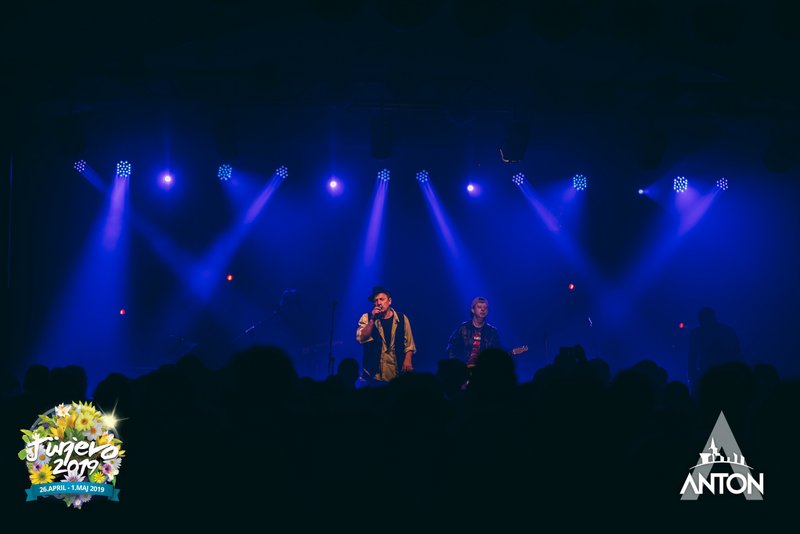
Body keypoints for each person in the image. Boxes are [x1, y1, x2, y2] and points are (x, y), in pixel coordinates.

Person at [356, 286, 416, 382]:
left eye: (381, 299)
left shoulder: (402, 318)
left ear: (389, 301)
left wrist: (408, 360)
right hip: (374, 375)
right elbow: (361, 338)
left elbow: (409, 344)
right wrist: (372, 320)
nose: (379, 303)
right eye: (376, 301)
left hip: (397, 374)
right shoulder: (366, 318)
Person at [688, 306, 743, 390]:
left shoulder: (697, 333)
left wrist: (692, 374)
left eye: (708, 319)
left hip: (722, 370)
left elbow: (736, 352)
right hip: (713, 370)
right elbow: (692, 355)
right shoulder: (726, 331)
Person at [445, 297, 502, 369]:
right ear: (472, 310)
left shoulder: (492, 332)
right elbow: (452, 348)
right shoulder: (463, 328)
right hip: (463, 369)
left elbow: (497, 353)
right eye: (479, 307)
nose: (483, 309)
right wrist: (457, 366)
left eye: (485, 307)